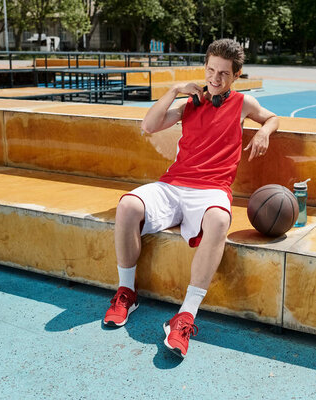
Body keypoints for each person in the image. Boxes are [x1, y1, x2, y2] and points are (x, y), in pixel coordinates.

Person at [103, 39, 279, 358]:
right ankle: (126, 291)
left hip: (211, 189)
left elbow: (272, 118)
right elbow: (149, 125)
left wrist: (265, 132)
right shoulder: (190, 104)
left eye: (223, 73)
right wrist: (174, 90)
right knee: (128, 204)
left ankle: (185, 316)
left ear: (236, 75)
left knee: (220, 219)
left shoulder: (243, 103)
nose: (214, 78)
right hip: (174, 184)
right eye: (210, 70)